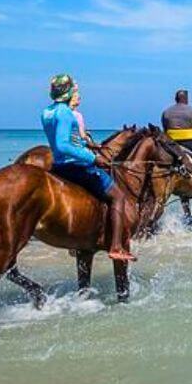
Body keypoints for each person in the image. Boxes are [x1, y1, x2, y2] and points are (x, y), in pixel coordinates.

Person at [42, 74, 136, 262]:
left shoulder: (47, 112)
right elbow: (63, 145)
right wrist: (93, 158)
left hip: (58, 165)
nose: (76, 93)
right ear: (68, 92)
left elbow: (65, 143)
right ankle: (117, 247)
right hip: (76, 165)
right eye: (74, 90)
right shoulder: (65, 113)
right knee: (118, 196)